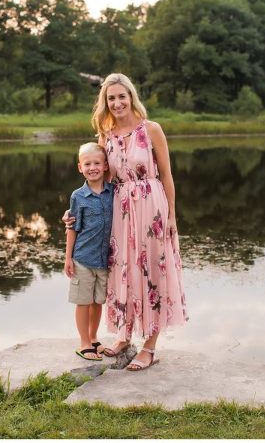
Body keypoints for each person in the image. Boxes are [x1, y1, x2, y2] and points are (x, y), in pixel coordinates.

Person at [66, 73, 188, 371]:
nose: (117, 102)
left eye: (122, 96)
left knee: (152, 272)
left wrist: (172, 215)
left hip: (151, 207)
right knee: (122, 271)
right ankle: (123, 334)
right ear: (105, 103)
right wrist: (76, 210)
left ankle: (149, 346)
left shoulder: (152, 130)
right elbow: (99, 180)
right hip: (119, 210)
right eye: (111, 98)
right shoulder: (106, 136)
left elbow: (167, 176)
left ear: (131, 97)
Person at [64, 142, 114, 361]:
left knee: (97, 302)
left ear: (105, 166)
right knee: (83, 302)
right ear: (79, 167)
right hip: (83, 258)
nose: (92, 167)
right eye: (87, 164)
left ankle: (94, 338)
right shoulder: (78, 196)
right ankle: (84, 343)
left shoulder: (113, 192)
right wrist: (68, 258)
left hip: (104, 259)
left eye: (96, 163)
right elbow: (72, 228)